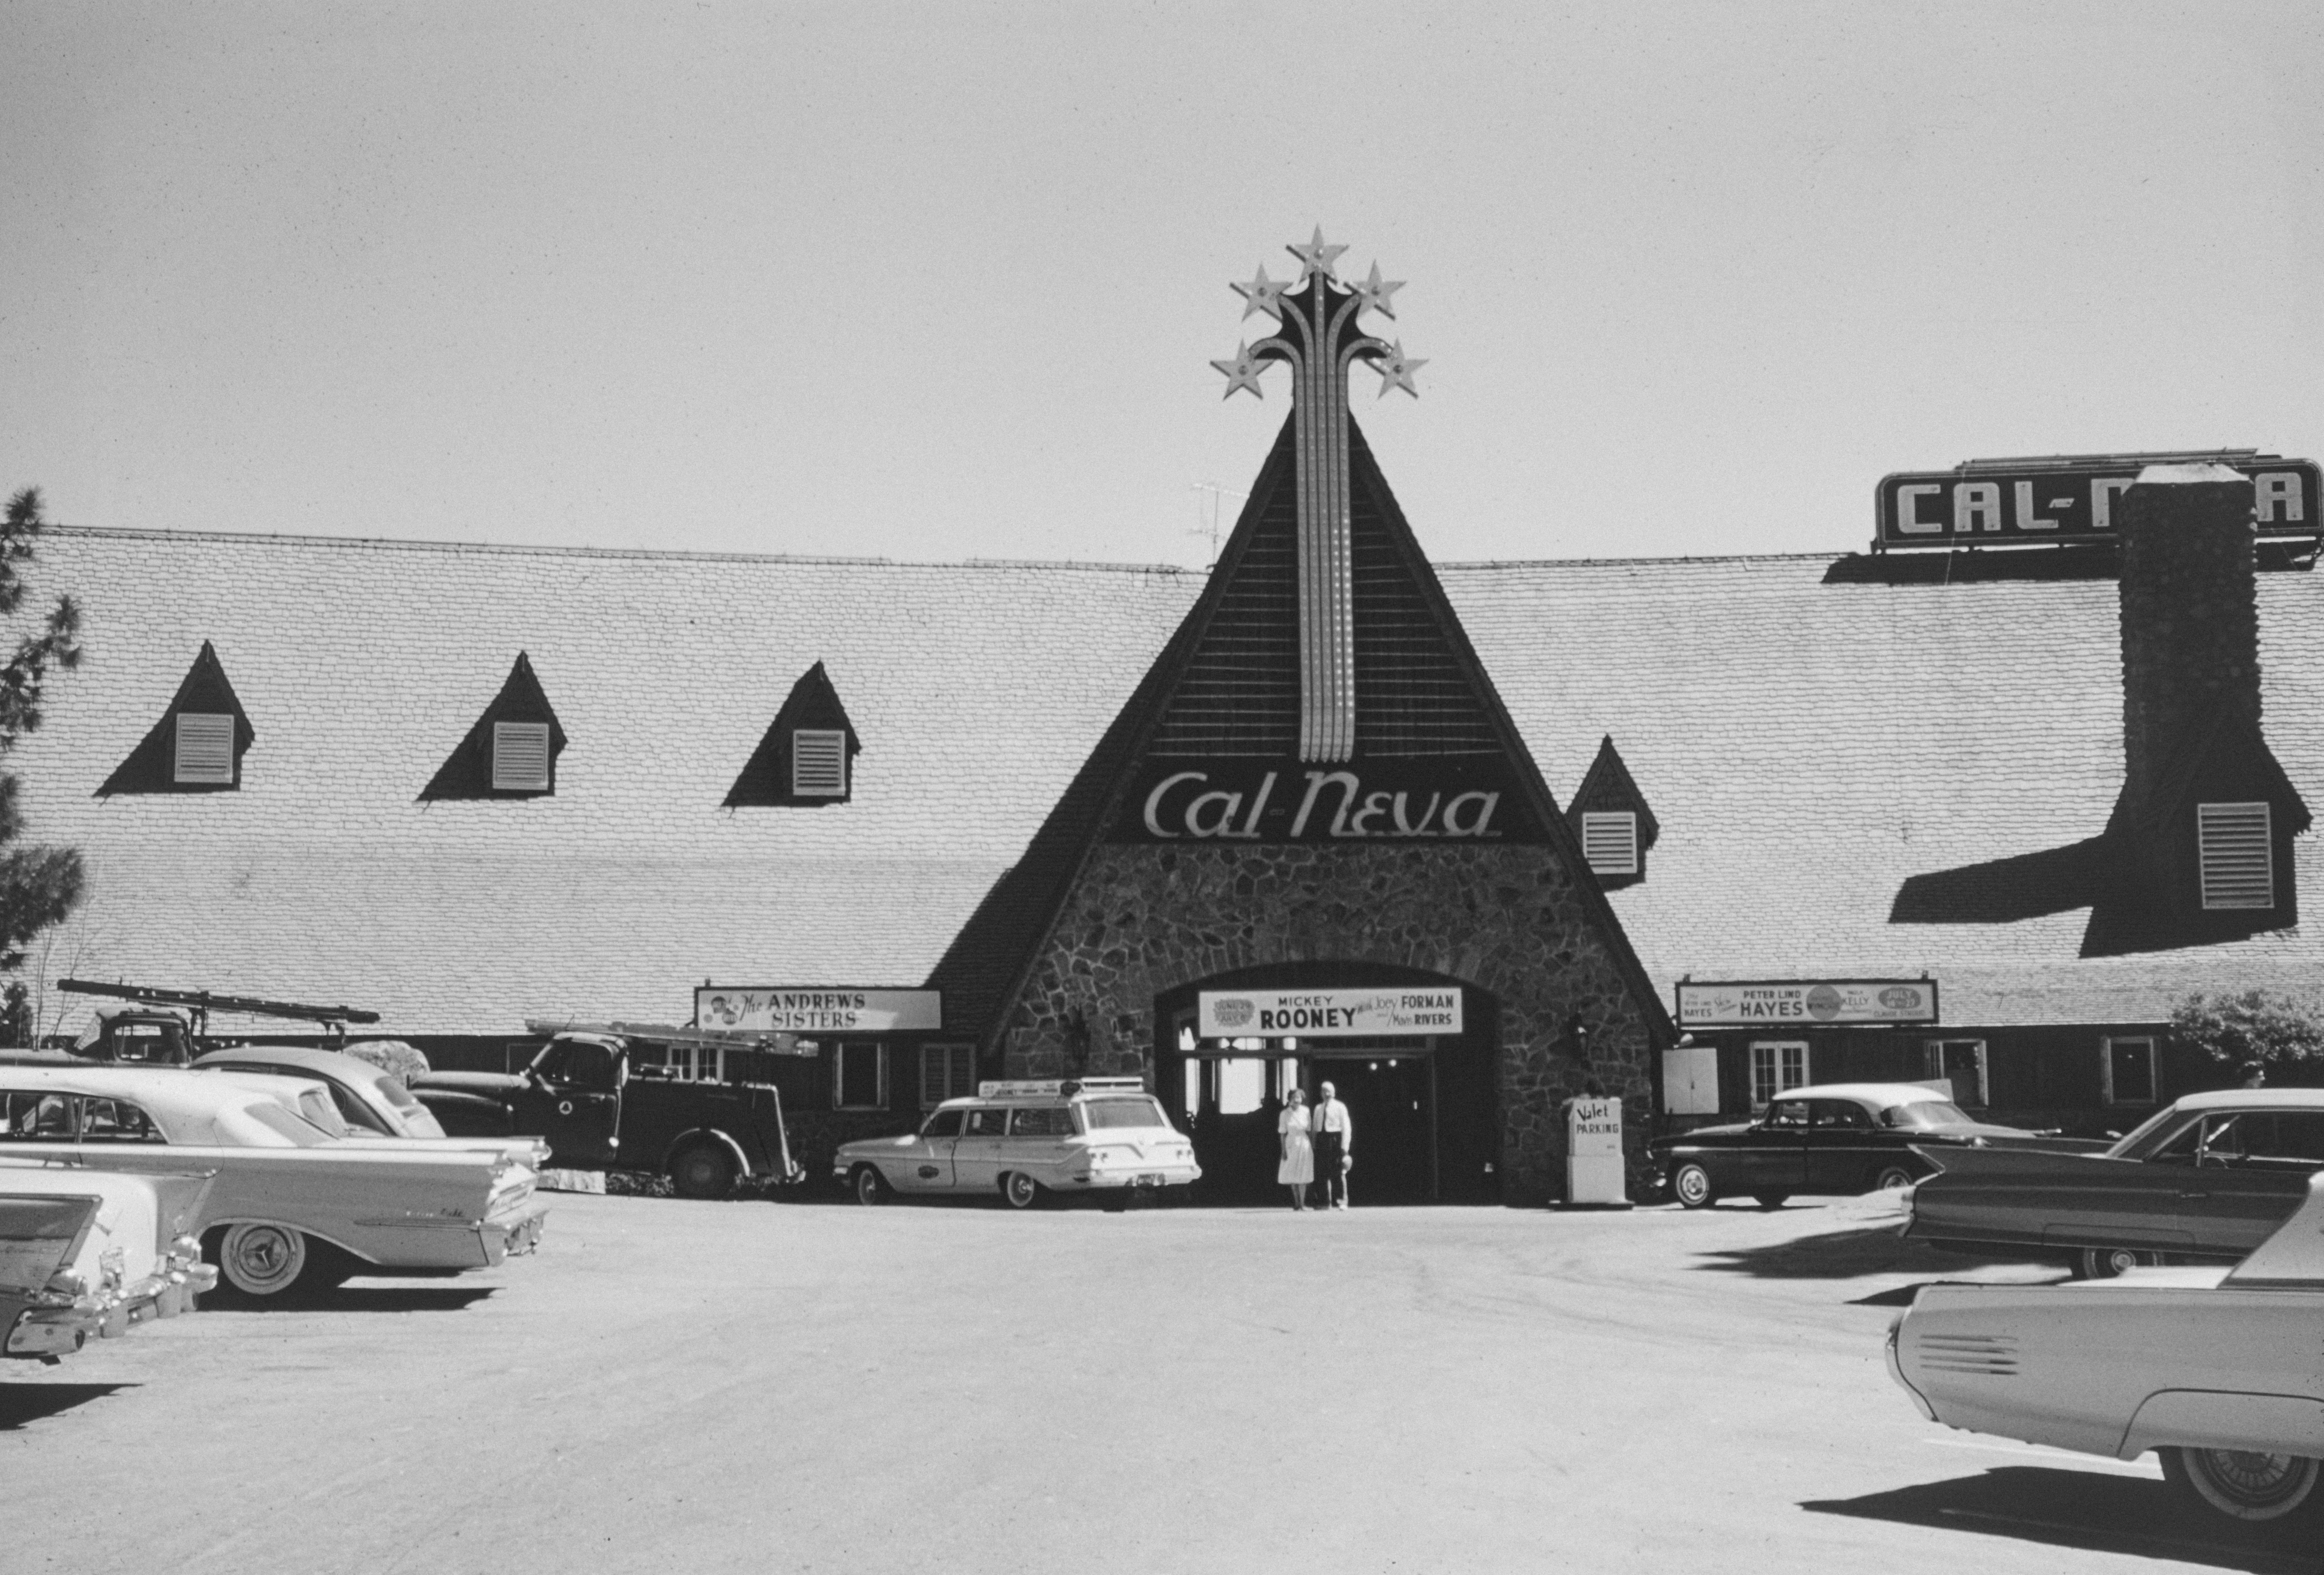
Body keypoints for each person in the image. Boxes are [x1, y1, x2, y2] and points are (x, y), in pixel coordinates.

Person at [1311, 1080, 1353, 1209]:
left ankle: (1342, 1201)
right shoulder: (1318, 1108)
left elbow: (1347, 1128)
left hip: (1335, 1140)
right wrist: (1313, 1145)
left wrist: (1345, 1148)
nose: (1327, 1094)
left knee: (1338, 1172)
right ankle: (1324, 1202)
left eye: (1329, 1091)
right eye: (1324, 1091)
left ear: (1334, 1093)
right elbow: (1314, 1128)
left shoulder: (1340, 1107)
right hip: (1322, 1140)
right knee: (1322, 1172)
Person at [1277, 1087, 1314, 1210]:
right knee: (1293, 1172)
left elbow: (1309, 1130)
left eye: (1298, 1098)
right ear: (1289, 1100)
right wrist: (1284, 1150)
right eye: (1294, 1098)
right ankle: (1297, 1203)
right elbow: (1283, 1133)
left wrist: (1311, 1147)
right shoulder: (1285, 1114)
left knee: (1303, 1172)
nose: (1296, 1100)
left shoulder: (1306, 1111)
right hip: (1291, 1143)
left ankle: (1303, 1203)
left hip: (1304, 1143)